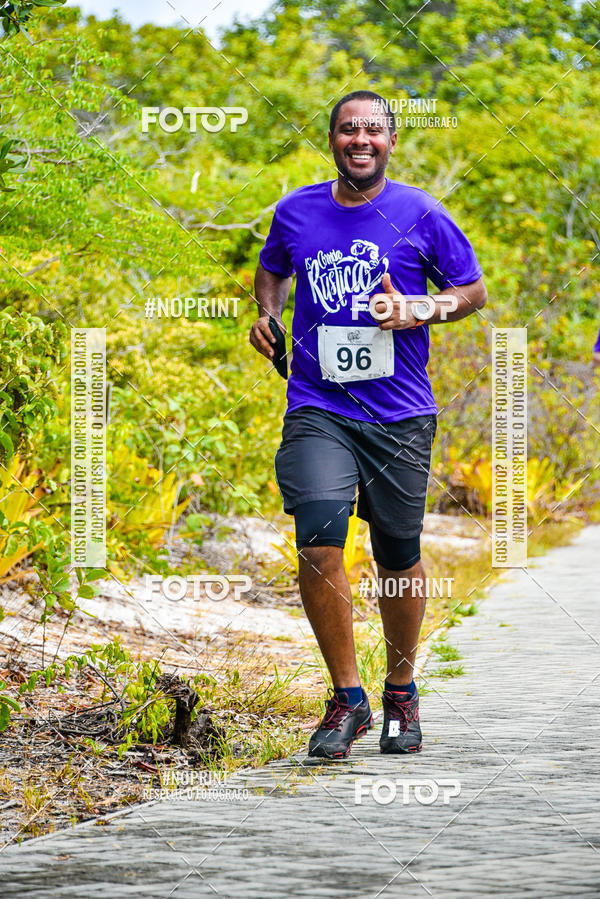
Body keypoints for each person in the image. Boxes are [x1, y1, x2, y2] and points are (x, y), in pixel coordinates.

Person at [249, 90, 487, 758]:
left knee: (396, 554)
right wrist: (267, 315)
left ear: (391, 141)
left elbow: (472, 291)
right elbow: (270, 272)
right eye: (348, 128)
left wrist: (420, 308)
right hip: (318, 405)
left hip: (399, 413)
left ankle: (401, 692)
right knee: (319, 537)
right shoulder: (296, 210)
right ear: (332, 138)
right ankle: (347, 697)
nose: (361, 139)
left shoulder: (422, 212)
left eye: (373, 130)